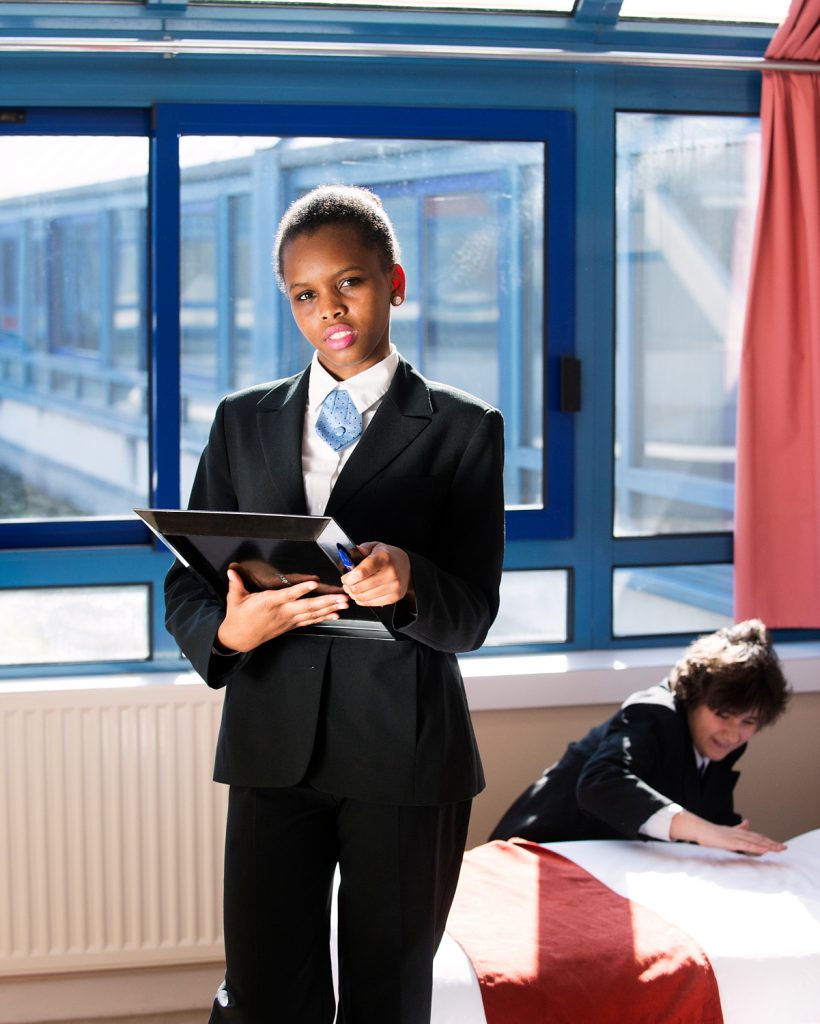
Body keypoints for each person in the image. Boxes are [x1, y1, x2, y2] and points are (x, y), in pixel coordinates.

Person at [164, 184, 505, 1024]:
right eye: (305, 295)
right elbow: (188, 583)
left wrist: (412, 580)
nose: (330, 311)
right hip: (271, 743)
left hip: (404, 750)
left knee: (386, 996)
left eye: (348, 283)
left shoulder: (464, 426)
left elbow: (473, 614)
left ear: (394, 280)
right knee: (266, 993)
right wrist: (228, 632)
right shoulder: (241, 421)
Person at [489, 618, 790, 855]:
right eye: (722, 715)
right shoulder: (653, 714)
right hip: (539, 848)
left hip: (608, 861)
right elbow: (601, 784)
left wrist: (739, 843)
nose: (734, 733)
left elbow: (711, 821)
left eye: (749, 721)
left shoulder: (724, 744)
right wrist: (703, 830)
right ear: (693, 696)